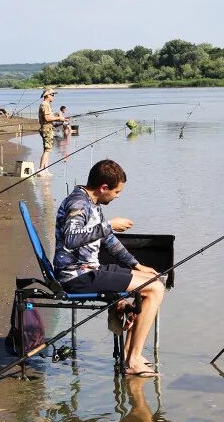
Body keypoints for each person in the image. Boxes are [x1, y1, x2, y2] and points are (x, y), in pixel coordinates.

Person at [53, 159, 165, 376]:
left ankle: (129, 353)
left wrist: (137, 264)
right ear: (103, 188)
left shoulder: (91, 203)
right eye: (116, 191)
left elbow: (109, 241)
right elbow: (70, 238)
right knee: (156, 289)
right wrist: (108, 225)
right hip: (77, 276)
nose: (117, 196)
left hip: (89, 269)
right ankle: (132, 361)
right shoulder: (79, 204)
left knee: (155, 281)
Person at [37, 87, 66, 173]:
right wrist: (59, 118)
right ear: (47, 95)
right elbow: (47, 118)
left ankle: (45, 169)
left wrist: (61, 119)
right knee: (47, 150)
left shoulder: (46, 104)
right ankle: (41, 169)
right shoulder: (45, 104)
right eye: (52, 94)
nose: (53, 96)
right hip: (46, 129)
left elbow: (50, 117)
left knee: (47, 149)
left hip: (47, 128)